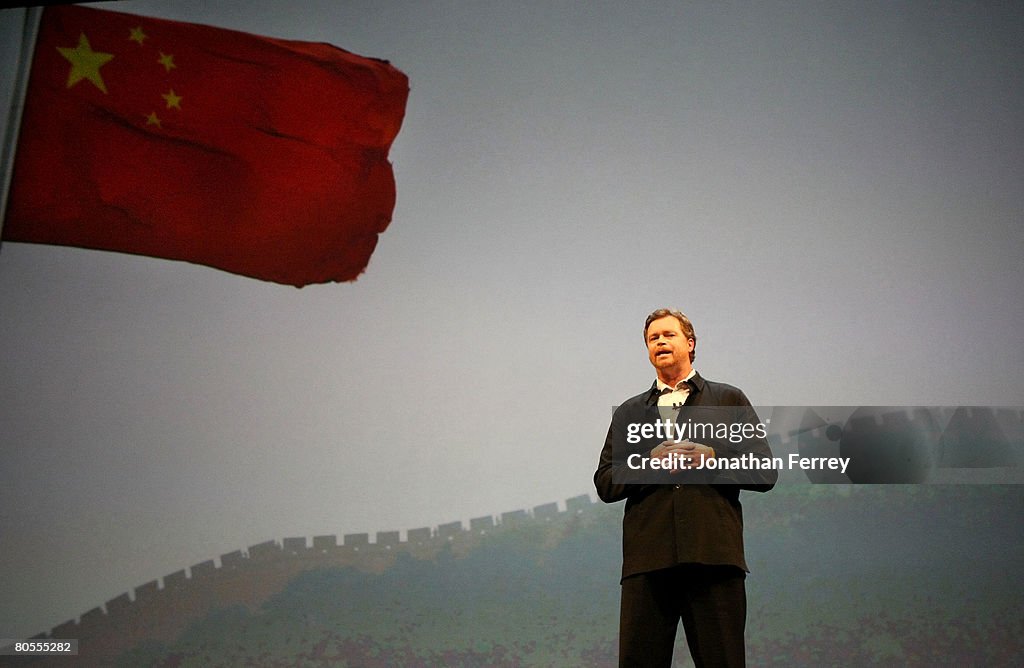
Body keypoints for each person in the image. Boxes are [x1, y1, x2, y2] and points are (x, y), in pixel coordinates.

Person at [594, 308, 777, 667]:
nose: (660, 342)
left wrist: (711, 456)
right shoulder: (630, 412)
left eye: (668, 335)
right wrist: (650, 462)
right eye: (652, 338)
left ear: (690, 344)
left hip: (713, 559)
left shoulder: (728, 399)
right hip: (649, 562)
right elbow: (605, 482)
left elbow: (764, 471)